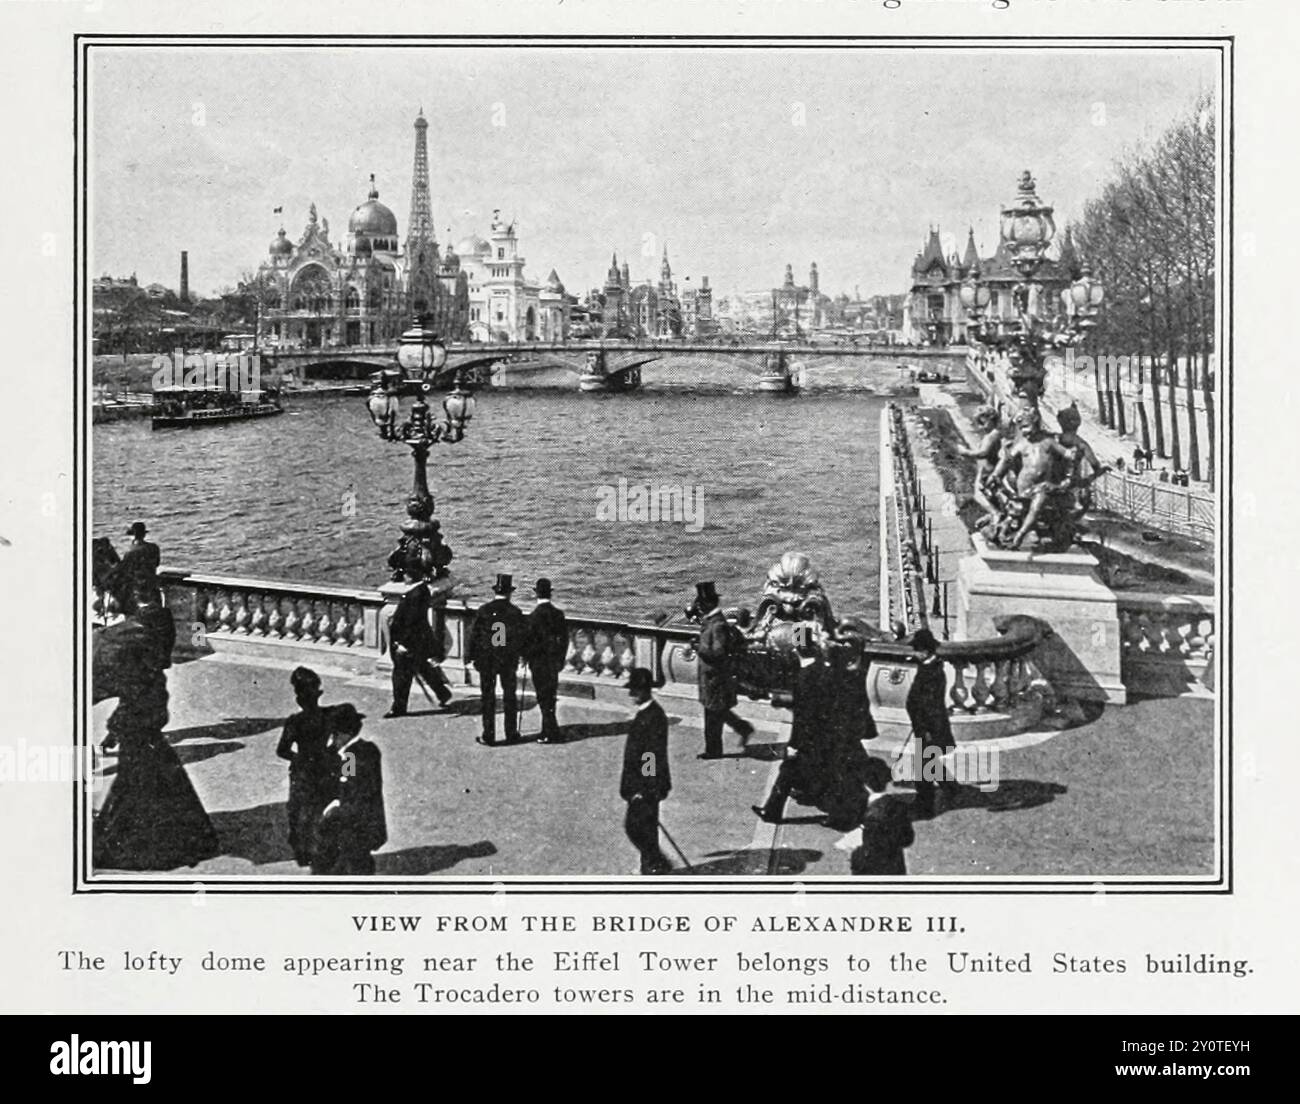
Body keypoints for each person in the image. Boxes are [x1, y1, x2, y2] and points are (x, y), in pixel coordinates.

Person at [92, 596, 219, 871]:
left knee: (136, 791)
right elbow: (151, 710)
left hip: (138, 740)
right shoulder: (151, 676)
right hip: (148, 741)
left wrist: (116, 730)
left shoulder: (135, 671)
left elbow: (131, 705)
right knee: (154, 790)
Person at [312, 704, 387, 876]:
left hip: (354, 822)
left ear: (344, 734)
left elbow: (347, 785)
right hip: (368, 820)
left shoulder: (350, 757)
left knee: (353, 863)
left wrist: (334, 806)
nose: (333, 740)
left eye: (335, 734)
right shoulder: (367, 749)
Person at [275, 667, 334, 867]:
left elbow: (282, 750)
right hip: (323, 766)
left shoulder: (295, 722)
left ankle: (303, 851)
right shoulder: (328, 716)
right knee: (321, 807)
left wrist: (298, 758)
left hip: (302, 770)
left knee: (300, 811)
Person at [692, 581, 754, 759]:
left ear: (708, 604)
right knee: (716, 711)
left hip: (714, 677)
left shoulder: (718, 625)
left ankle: (713, 751)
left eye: (701, 604)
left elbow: (718, 652)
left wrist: (699, 648)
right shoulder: (714, 621)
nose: (699, 607)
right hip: (712, 677)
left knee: (712, 715)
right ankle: (743, 728)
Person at [621, 668, 673, 875]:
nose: (631, 694)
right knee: (646, 826)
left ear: (644, 691)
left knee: (635, 827)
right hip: (647, 783)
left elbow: (650, 756)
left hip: (646, 784)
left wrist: (644, 788)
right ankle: (651, 865)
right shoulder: (649, 713)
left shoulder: (652, 717)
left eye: (635, 690)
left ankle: (655, 862)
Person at [466, 573, 527, 745]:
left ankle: (489, 734)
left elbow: (474, 637)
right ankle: (511, 732)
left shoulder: (484, 610)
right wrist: (522, 654)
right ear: (510, 593)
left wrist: (471, 656)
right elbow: (520, 638)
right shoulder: (515, 612)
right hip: (507, 660)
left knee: (488, 697)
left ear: (495, 591)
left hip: (487, 659)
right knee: (510, 696)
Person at [904, 627, 959, 819]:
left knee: (923, 765)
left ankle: (925, 805)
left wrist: (925, 729)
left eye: (917, 650)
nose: (914, 653)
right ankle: (950, 787)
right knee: (928, 761)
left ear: (926, 651)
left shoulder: (932, 671)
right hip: (926, 725)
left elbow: (929, 705)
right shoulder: (931, 667)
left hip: (927, 727)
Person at [384, 579, 454, 718]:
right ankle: (442, 693)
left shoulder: (415, 594)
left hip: (410, 642)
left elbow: (411, 622)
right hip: (419, 641)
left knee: (402, 675)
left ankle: (398, 707)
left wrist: (403, 643)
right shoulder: (420, 591)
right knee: (423, 668)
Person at [850, 758, 915, 876]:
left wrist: (856, 854)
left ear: (866, 786)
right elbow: (907, 839)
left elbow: (870, 850)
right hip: (896, 866)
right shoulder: (899, 806)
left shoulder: (872, 815)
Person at [525, 577, 568, 743]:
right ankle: (549, 728)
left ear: (536, 594)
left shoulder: (533, 617)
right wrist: (561, 659)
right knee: (551, 695)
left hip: (538, 663)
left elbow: (527, 642)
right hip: (553, 662)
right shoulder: (558, 614)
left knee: (542, 696)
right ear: (550, 594)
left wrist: (526, 657)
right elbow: (564, 640)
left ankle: (550, 731)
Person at [107, 521, 161, 612]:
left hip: (138, 592)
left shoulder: (131, 553)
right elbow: (157, 563)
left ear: (133, 535)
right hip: (153, 589)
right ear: (144, 534)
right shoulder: (154, 548)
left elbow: (123, 570)